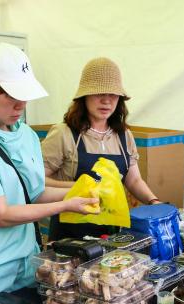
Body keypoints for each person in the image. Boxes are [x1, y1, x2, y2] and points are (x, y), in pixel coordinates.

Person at [0, 43, 96, 304]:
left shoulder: (25, 135)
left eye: (24, 95)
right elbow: (1, 214)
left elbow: (35, 193)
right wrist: (66, 205)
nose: (20, 105)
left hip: (27, 261)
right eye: (9, 96)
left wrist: (79, 193)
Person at [41, 57, 161, 240]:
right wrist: (78, 187)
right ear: (84, 97)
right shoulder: (64, 134)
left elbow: (134, 180)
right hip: (70, 235)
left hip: (113, 233)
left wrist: (154, 202)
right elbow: (37, 180)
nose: (106, 101)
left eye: (113, 95)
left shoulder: (123, 135)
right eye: (99, 93)